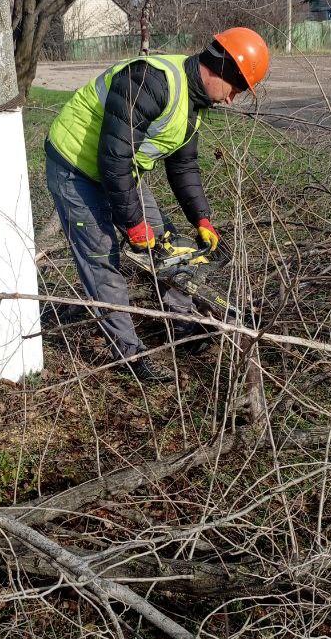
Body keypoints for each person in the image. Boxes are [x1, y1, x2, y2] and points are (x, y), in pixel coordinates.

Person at [45, 27, 269, 382]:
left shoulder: (193, 103)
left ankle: (184, 326)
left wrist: (202, 219)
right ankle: (129, 354)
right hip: (76, 167)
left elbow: (183, 166)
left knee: (169, 244)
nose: (231, 100)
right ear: (223, 68)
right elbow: (114, 159)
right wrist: (134, 224)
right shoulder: (150, 81)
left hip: (120, 172)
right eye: (236, 89)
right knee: (102, 259)